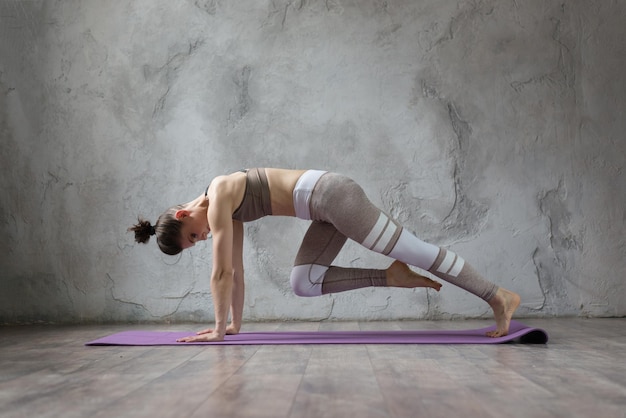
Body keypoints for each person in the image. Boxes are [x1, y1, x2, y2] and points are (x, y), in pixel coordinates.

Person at [129, 168, 520, 342]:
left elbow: (221, 272)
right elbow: (238, 272)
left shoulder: (218, 194)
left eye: (194, 235)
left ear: (184, 214)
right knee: (303, 282)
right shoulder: (224, 209)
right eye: (197, 241)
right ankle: (391, 276)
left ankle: (496, 295)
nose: (203, 238)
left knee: (415, 249)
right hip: (323, 210)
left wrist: (215, 331)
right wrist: (233, 325)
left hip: (335, 196)